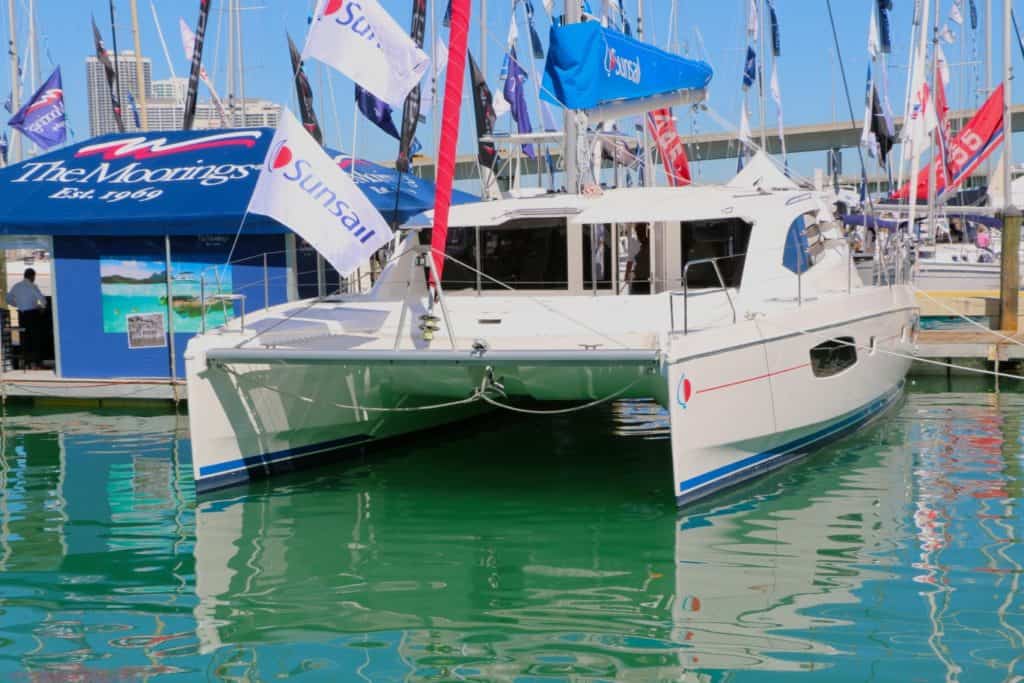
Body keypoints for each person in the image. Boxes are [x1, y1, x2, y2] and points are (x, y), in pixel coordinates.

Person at [6, 268, 46, 369]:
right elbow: (43, 300)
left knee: (25, 338)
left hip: (21, 315)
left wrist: (17, 304)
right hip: (32, 315)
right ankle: (36, 362)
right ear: (32, 276)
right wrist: (41, 307)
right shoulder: (32, 286)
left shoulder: (16, 286)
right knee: (35, 338)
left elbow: (8, 299)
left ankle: (26, 362)